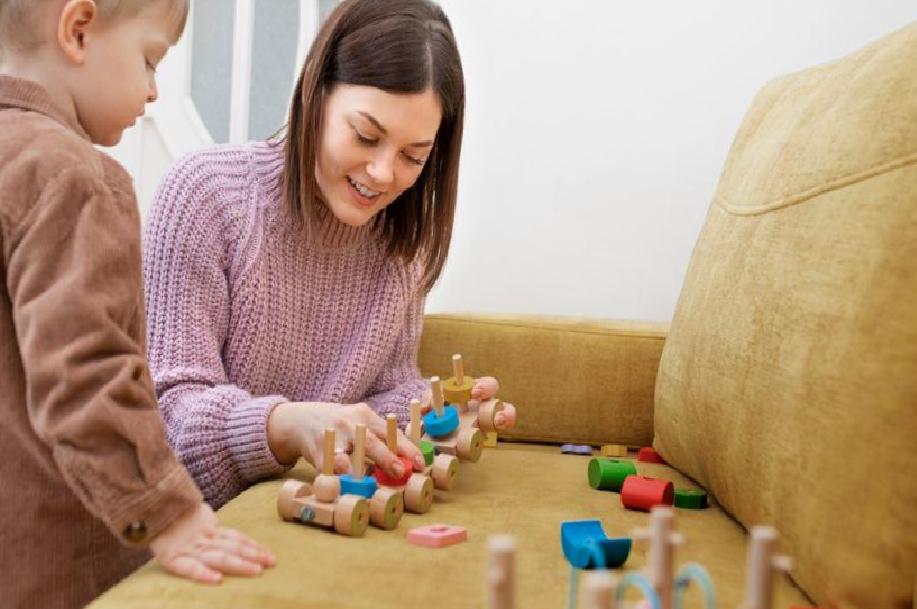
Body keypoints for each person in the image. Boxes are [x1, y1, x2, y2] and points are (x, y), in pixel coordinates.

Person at [143, 0, 516, 509]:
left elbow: (384, 391)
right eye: (365, 136)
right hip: (192, 527)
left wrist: (434, 412)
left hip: (324, 509)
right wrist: (286, 425)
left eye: (413, 157)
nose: (384, 174)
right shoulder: (206, 197)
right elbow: (168, 418)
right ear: (315, 96)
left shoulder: (402, 243)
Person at [0, 1, 275, 606]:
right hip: (59, 567)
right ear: (78, 30)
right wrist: (169, 512)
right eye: (149, 59)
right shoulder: (75, 177)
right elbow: (84, 371)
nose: (153, 91)